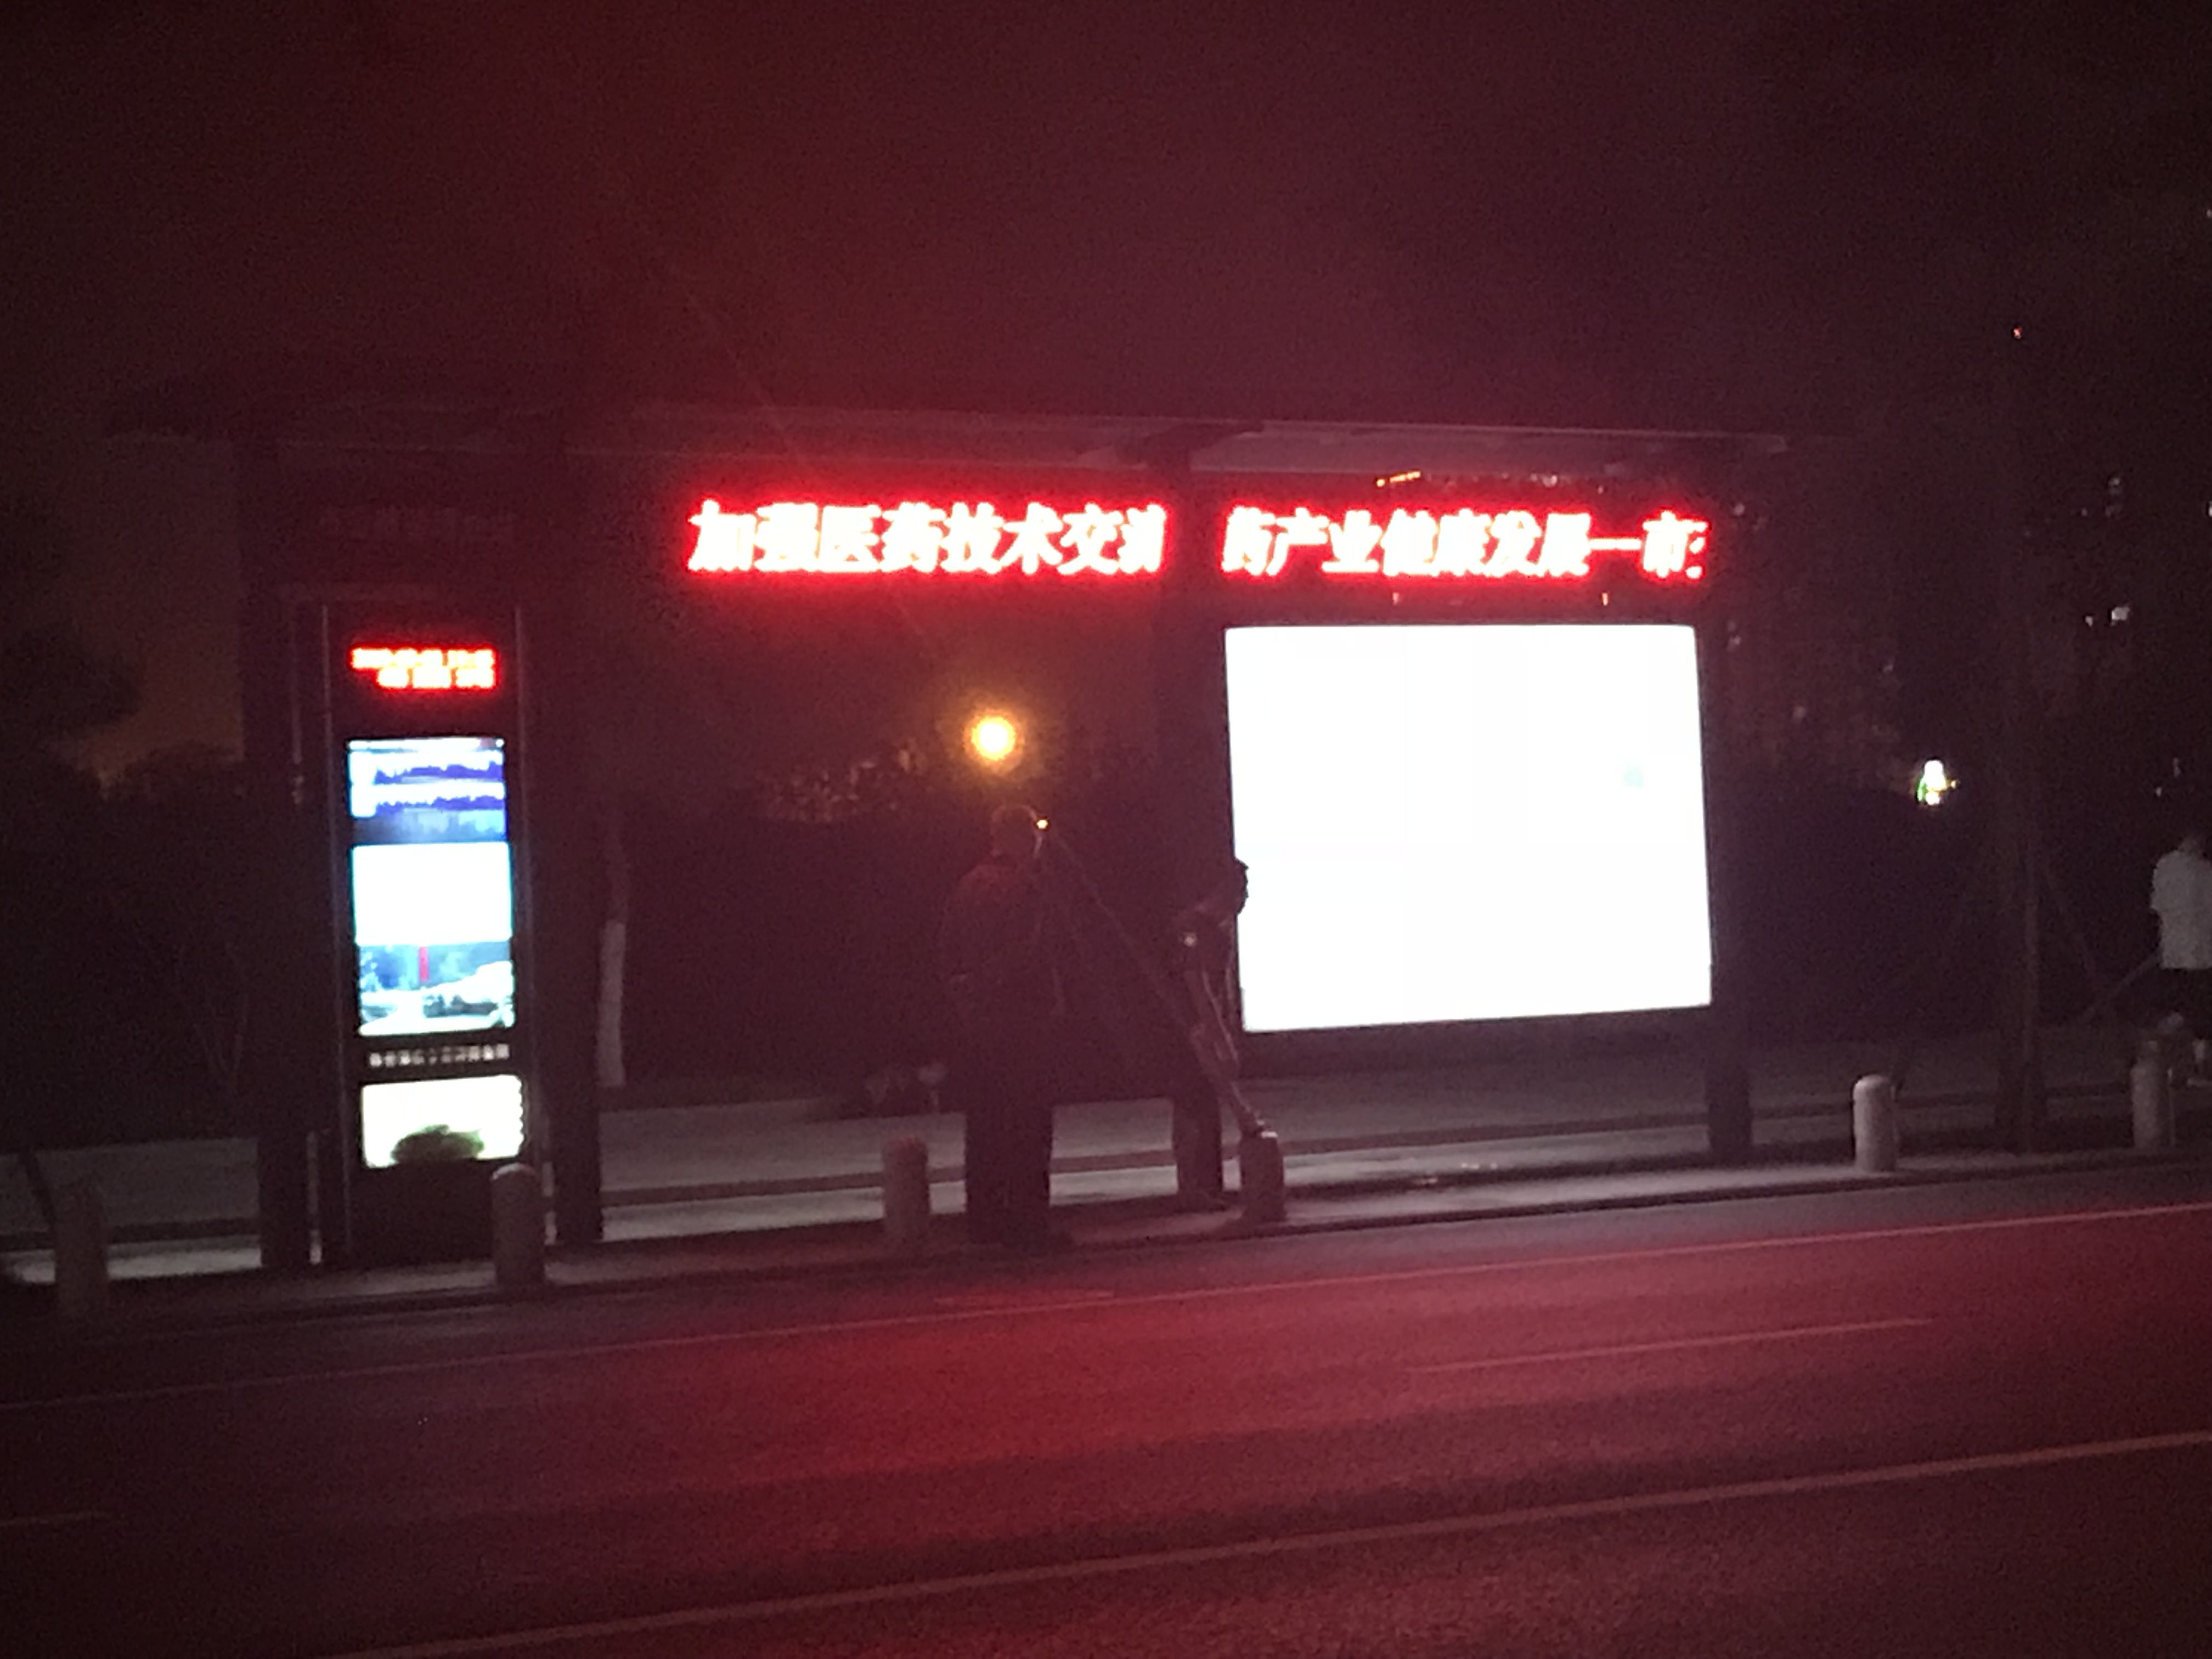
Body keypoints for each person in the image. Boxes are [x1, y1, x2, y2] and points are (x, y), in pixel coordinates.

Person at [939, 802, 1071, 1252]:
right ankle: (1028, 1225)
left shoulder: (968, 885)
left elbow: (947, 955)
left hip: (980, 1030)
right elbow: (1027, 956)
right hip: (1024, 1026)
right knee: (1028, 1129)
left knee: (986, 1129)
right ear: (1022, 837)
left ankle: (986, 1223)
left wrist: (969, 995)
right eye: (1034, 837)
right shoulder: (1026, 887)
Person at [2149, 823, 2212, 1081]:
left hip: (2174, 952)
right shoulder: (2203, 871)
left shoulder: (2164, 866)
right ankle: (2197, 1065)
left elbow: (2157, 906)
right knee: (2199, 1011)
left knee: (2187, 1005)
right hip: (2201, 953)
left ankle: (2173, 1063)